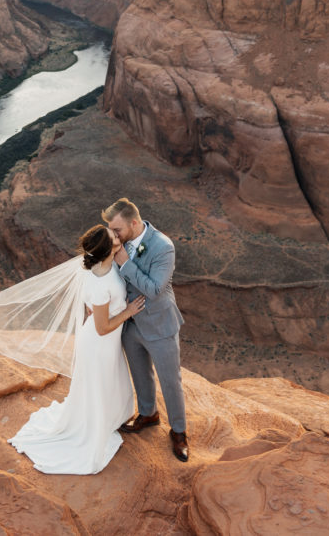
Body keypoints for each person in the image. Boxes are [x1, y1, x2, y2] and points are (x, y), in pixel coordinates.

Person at [0, 225, 145, 474]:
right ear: (108, 249)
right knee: (101, 386)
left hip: (102, 342)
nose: (118, 235)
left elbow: (93, 309)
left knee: (109, 382)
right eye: (113, 237)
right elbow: (103, 327)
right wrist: (127, 312)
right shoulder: (99, 281)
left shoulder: (103, 267)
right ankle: (94, 428)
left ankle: (109, 420)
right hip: (99, 343)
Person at [102, 198, 189, 462]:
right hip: (130, 325)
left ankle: (179, 432)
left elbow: (153, 289)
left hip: (160, 324)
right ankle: (148, 413)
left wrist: (126, 263)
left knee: (170, 382)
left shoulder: (163, 247)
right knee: (140, 374)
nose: (112, 235)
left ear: (134, 222)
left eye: (116, 230)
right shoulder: (119, 241)